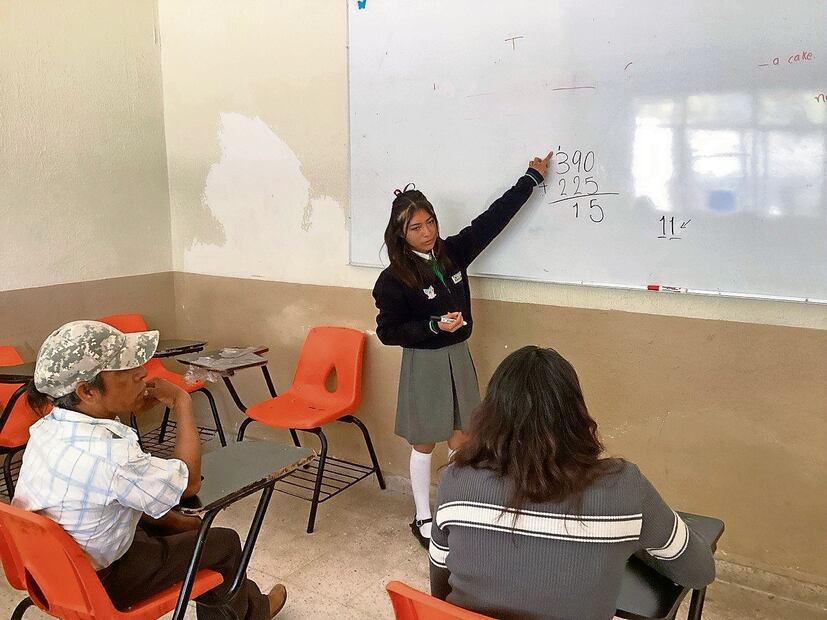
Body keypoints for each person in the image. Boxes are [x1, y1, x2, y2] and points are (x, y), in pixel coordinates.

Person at [14, 320, 288, 619]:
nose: (142, 372)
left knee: (188, 529)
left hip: (50, 574)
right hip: (103, 584)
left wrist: (175, 523)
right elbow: (190, 482)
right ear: (86, 391)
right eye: (124, 370)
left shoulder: (46, 428)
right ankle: (253, 612)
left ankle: (241, 603)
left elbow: (117, 491)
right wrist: (182, 402)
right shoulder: (113, 455)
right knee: (224, 542)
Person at [429, 345, 716, 620]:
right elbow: (699, 569)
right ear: (576, 417)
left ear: (490, 415)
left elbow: (439, 593)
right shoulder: (625, 489)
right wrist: (634, 537)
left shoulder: (455, 482)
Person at [372, 153, 552, 548]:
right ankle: (422, 516)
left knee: (463, 439)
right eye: (416, 228)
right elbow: (387, 331)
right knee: (424, 441)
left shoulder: (452, 252)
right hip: (424, 363)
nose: (426, 232)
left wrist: (530, 179)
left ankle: (455, 508)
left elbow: (493, 219)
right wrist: (433, 326)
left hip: (458, 358)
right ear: (401, 234)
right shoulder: (394, 278)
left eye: (430, 222)